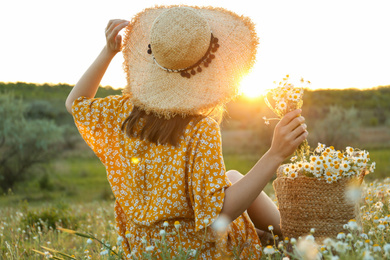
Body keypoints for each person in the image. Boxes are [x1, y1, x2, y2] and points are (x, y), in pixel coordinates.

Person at [65, 5, 307, 259]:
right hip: (194, 251)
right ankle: (302, 238)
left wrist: (108, 52)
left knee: (233, 176)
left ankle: (275, 238)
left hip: (144, 249)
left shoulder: (124, 113)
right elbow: (220, 214)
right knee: (237, 186)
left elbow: (75, 103)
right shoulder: (200, 130)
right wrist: (275, 154)